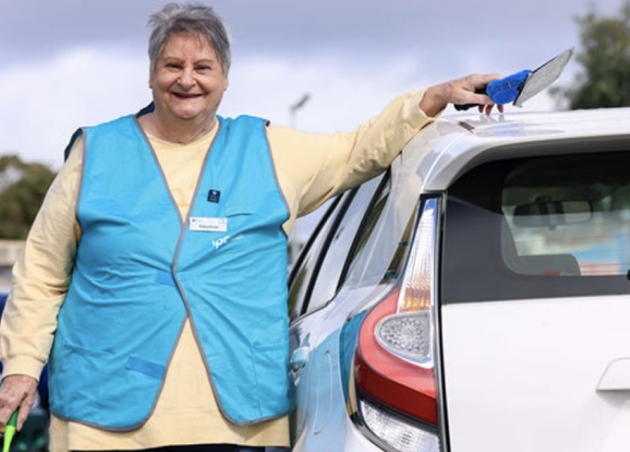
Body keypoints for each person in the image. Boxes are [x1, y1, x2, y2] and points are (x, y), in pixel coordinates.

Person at [0, 2, 502, 452]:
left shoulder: (270, 149)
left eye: (203, 67)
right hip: (103, 418)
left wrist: (433, 97)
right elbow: (41, 273)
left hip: (237, 422)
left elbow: (357, 150)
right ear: (151, 74)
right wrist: (22, 367)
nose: (187, 79)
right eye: (172, 65)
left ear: (224, 77)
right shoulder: (95, 154)